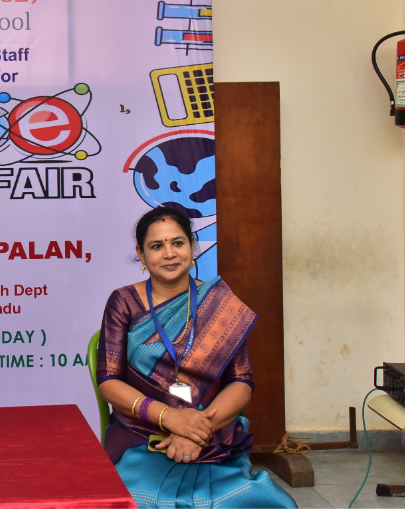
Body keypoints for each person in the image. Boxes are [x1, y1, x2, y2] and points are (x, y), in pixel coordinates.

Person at [96, 206, 296, 508]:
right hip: (142, 433)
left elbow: (241, 382)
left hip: (211, 431)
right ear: (141, 253)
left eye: (178, 243)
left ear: (192, 246)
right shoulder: (124, 302)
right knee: (137, 500)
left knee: (260, 503)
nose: (169, 254)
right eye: (156, 246)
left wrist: (196, 431)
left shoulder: (221, 305)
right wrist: (170, 417)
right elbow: (109, 381)